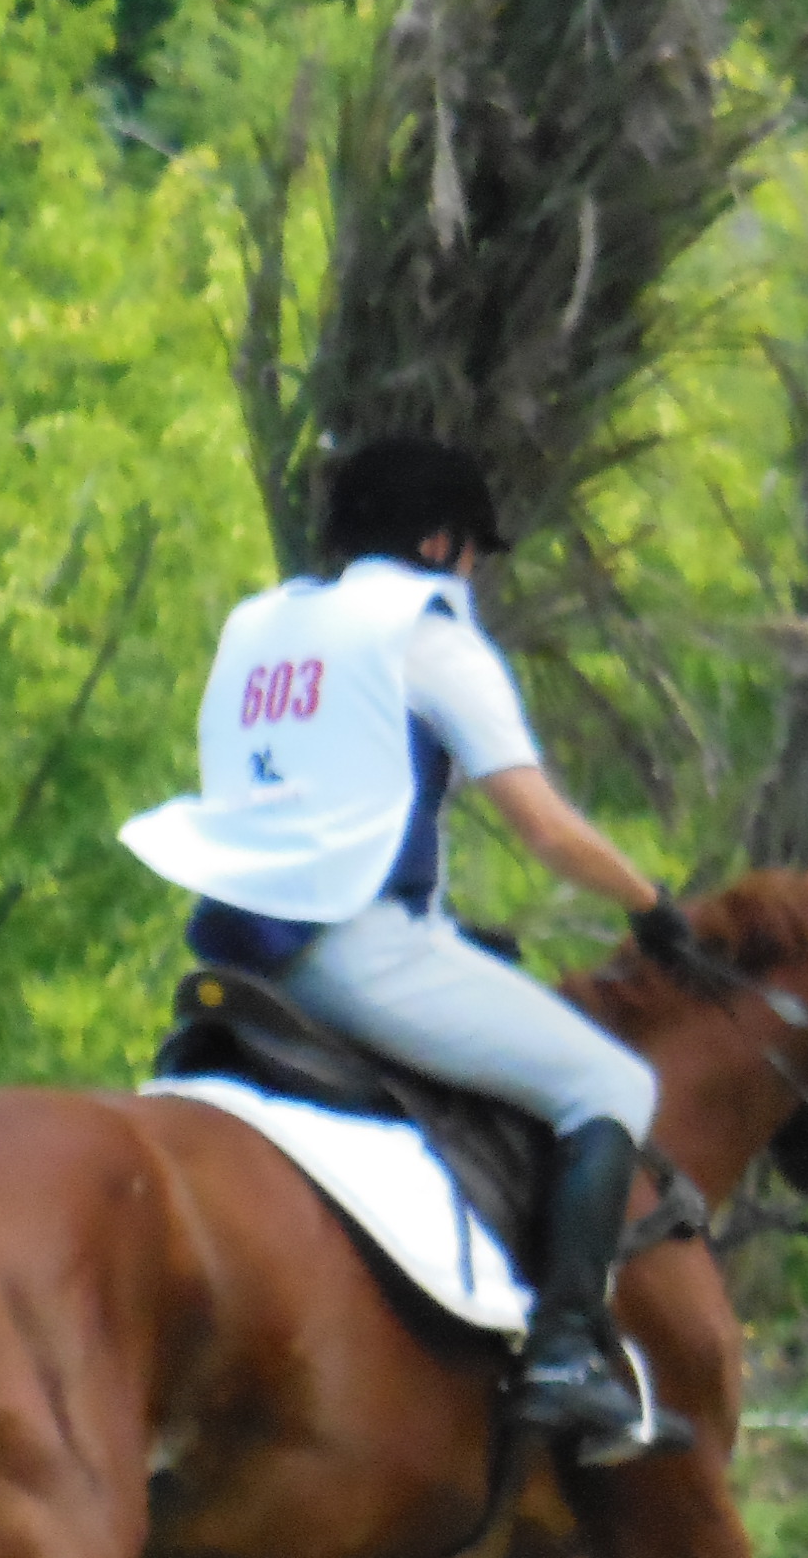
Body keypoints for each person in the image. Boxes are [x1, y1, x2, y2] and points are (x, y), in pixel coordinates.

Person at [121, 435, 690, 1459]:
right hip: (354, 954)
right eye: (473, 552)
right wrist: (650, 904)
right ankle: (565, 1352)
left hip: (236, 956)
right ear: (438, 541)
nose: (473, 575)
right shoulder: (423, 633)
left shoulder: (263, 625)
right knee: (608, 1084)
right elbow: (547, 829)